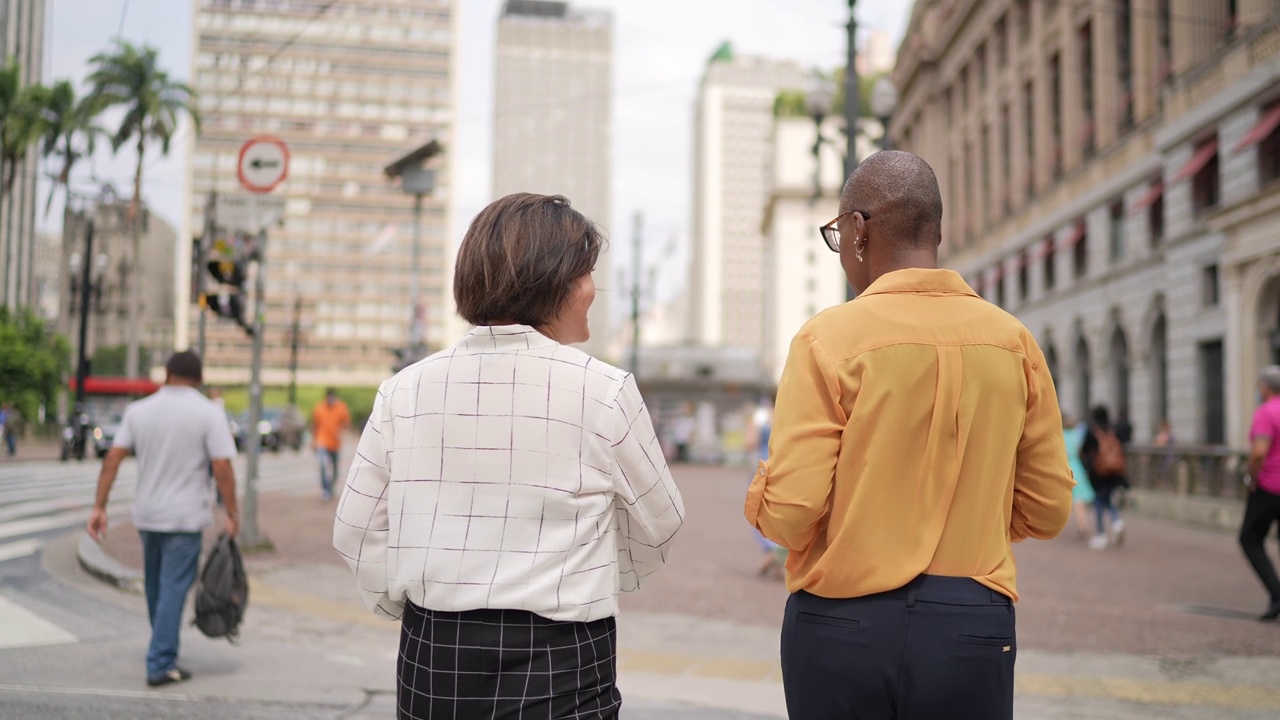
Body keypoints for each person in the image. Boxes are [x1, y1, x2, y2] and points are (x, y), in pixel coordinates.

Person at [744, 151, 1073, 720]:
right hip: (972, 617)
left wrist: (766, 502)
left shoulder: (827, 340)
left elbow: (792, 514)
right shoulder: (1013, 341)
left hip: (841, 621)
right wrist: (977, 514)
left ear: (857, 229)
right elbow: (1048, 511)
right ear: (935, 232)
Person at [333, 193, 685, 719]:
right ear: (556, 282)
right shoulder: (604, 389)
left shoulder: (404, 390)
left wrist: (410, 599)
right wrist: (593, 571)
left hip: (436, 650)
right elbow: (662, 521)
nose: (594, 289)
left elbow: (356, 531)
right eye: (587, 273)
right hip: (566, 652)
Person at [85, 351, 239, 687]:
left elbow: (113, 456)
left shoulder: (139, 411)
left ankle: (162, 647)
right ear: (198, 379)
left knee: (157, 588)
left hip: (147, 514)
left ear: (167, 374)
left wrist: (99, 506)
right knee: (173, 589)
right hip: (183, 518)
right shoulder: (208, 412)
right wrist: (232, 512)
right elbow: (223, 467)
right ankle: (160, 661)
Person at [1241, 365, 1280, 621]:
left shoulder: (1266, 413)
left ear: (1265, 387)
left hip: (1269, 485)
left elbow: (1259, 451)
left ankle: (1277, 595)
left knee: (1250, 538)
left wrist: (1251, 477)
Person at [1081, 405, 1127, 550]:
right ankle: (1116, 521)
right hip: (1114, 472)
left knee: (1099, 502)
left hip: (1098, 472)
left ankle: (1101, 534)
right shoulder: (1114, 430)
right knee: (1108, 499)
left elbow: (1084, 450)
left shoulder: (1092, 431)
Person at [310, 388, 350, 502]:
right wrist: (313, 441)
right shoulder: (319, 408)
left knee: (335, 469)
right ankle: (326, 489)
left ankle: (331, 488)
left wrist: (341, 431)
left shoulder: (341, 407)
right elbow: (315, 425)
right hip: (322, 441)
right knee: (323, 465)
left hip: (335, 444)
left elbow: (346, 423)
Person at [1064, 412, 1095, 540]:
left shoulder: (1061, 435)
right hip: (1077, 466)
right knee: (1079, 499)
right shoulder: (1077, 435)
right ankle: (1083, 523)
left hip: (1065, 466)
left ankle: (1081, 524)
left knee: (1072, 499)